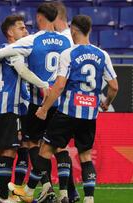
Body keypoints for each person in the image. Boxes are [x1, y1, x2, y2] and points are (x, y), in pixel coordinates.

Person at [16, 15, 119, 203]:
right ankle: (89, 199)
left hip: (68, 113)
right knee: (85, 156)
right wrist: (105, 103)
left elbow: (60, 85)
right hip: (89, 115)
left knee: (45, 150)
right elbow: (114, 86)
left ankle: (29, 192)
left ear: (73, 30)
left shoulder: (69, 54)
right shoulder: (102, 55)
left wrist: (45, 108)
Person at [0, 3, 72, 202]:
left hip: (39, 103)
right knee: (59, 147)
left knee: (32, 144)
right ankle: (67, 192)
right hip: (61, 103)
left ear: (39, 18)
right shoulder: (67, 41)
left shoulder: (32, 40)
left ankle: (44, 187)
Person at [0, 15, 50, 203]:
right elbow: (22, 71)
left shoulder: (1, 51)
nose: (26, 31)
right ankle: (3, 196)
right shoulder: (13, 52)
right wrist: (43, 84)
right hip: (7, 107)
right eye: (21, 28)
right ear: (10, 32)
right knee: (9, 152)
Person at [51, 1, 80, 202]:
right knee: (57, 146)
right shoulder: (73, 39)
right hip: (70, 102)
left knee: (44, 146)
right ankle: (71, 191)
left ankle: (59, 192)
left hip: (56, 98)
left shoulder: (60, 41)